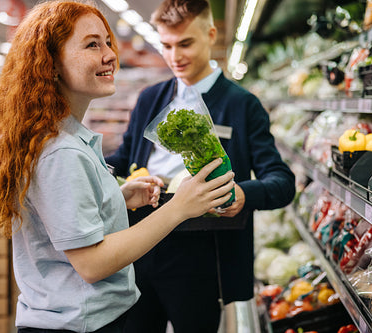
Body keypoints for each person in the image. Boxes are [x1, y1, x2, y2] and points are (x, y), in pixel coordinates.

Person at [0, 1, 236, 332]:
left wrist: (116, 196)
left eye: (107, 41)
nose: (110, 54)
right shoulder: (61, 153)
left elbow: (62, 218)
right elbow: (92, 263)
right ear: (51, 63)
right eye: (92, 44)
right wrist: (178, 208)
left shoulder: (66, 138)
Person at [105, 0, 296, 332]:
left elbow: (282, 181)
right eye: (166, 45)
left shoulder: (243, 105)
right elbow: (124, 157)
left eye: (185, 43)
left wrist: (243, 194)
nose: (174, 56)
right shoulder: (150, 99)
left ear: (210, 35)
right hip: (140, 247)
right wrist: (88, 167)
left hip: (203, 258)